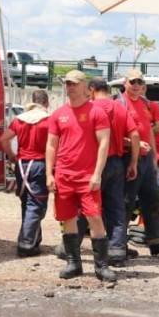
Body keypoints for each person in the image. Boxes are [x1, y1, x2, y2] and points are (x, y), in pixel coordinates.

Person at [46, 70, 115, 281]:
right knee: (67, 218)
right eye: (67, 83)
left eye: (74, 83)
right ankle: (73, 263)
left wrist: (97, 174)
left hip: (87, 176)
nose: (70, 87)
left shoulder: (96, 112)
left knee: (94, 216)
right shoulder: (58, 114)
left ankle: (101, 266)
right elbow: (51, 145)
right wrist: (50, 173)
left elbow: (104, 143)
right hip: (64, 175)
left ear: (86, 87)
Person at [119, 69, 159, 255]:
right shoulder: (118, 104)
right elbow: (113, 135)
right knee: (126, 203)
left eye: (139, 82)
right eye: (132, 82)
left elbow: (151, 132)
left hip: (147, 161)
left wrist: (153, 159)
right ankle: (118, 245)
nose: (136, 86)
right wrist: (132, 144)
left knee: (152, 200)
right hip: (127, 159)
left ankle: (158, 243)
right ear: (125, 83)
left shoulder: (146, 104)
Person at [88, 78, 140, 266]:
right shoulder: (119, 107)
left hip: (94, 164)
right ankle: (117, 250)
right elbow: (134, 134)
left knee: (91, 206)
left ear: (92, 89)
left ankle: (96, 249)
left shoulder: (90, 108)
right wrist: (133, 162)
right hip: (117, 163)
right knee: (116, 207)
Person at [0, 90, 51, 257]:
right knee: (36, 205)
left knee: (27, 203)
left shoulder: (19, 120)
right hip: (40, 165)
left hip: (22, 165)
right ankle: (26, 243)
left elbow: (3, 139)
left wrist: (12, 156)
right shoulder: (49, 121)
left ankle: (34, 240)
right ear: (47, 103)